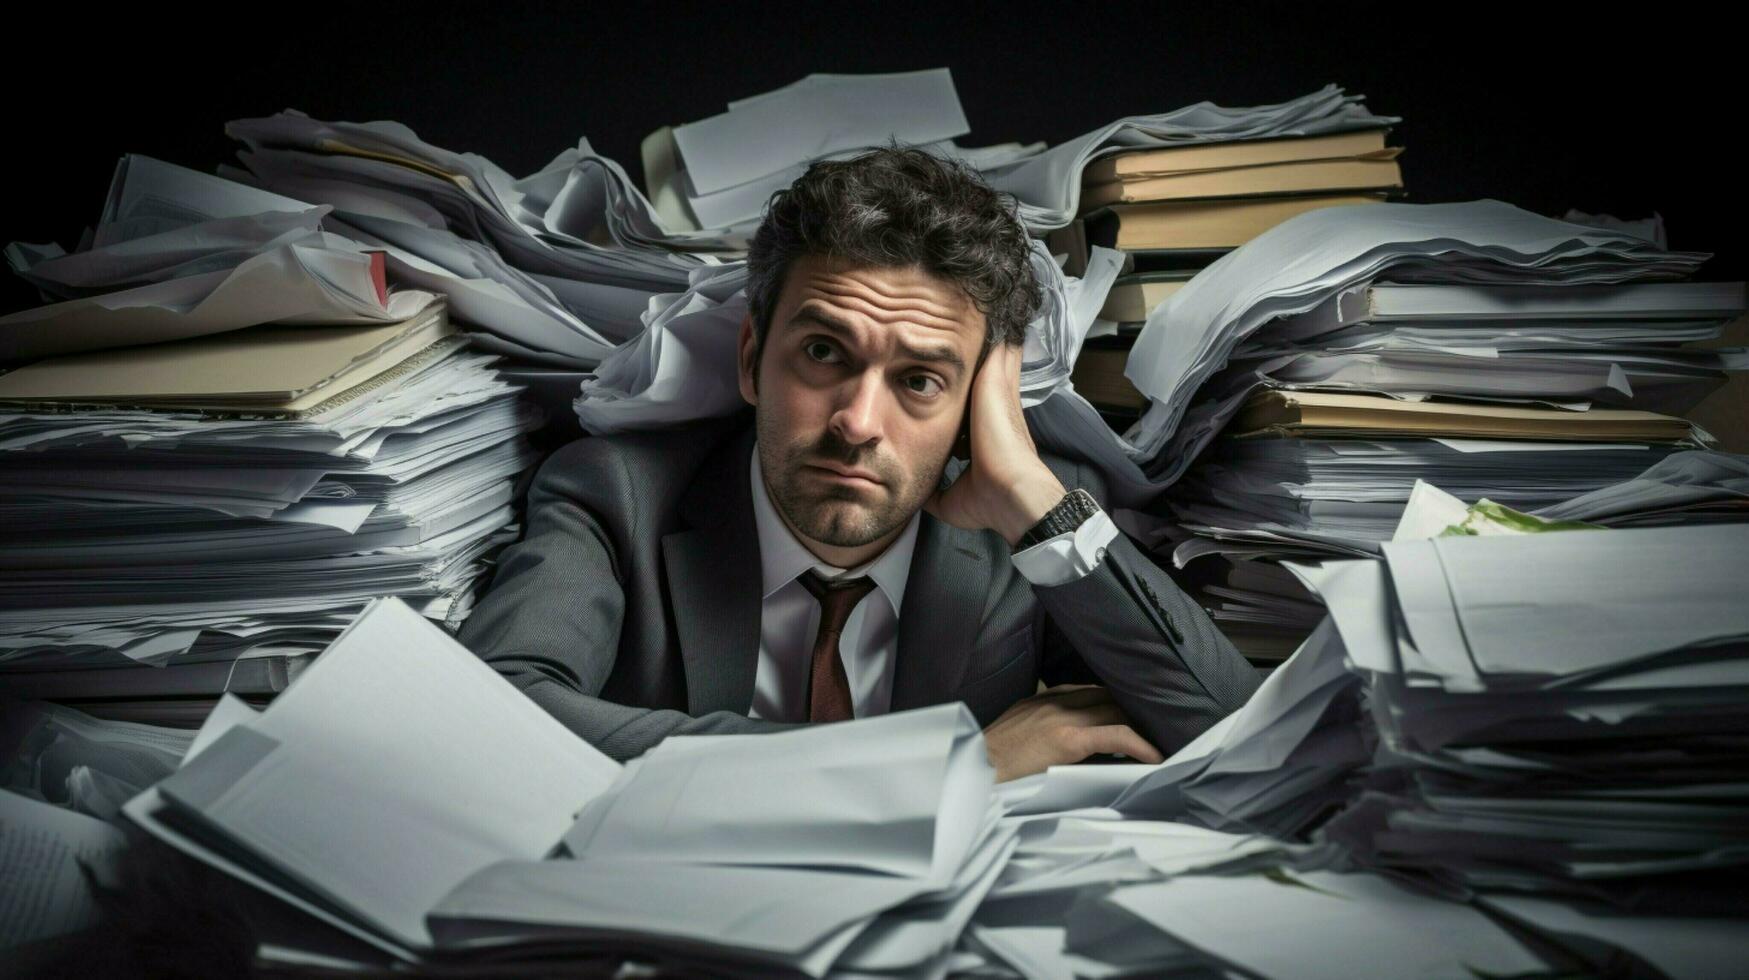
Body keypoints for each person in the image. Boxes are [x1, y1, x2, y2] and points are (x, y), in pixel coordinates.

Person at [457, 146, 1261, 781]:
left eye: (919, 380)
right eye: (821, 352)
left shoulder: (1035, 526)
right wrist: (939, 769)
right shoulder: (614, 495)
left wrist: (1027, 495)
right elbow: (487, 718)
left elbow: (1240, 739)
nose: (857, 423)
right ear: (750, 359)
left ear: (974, 402)